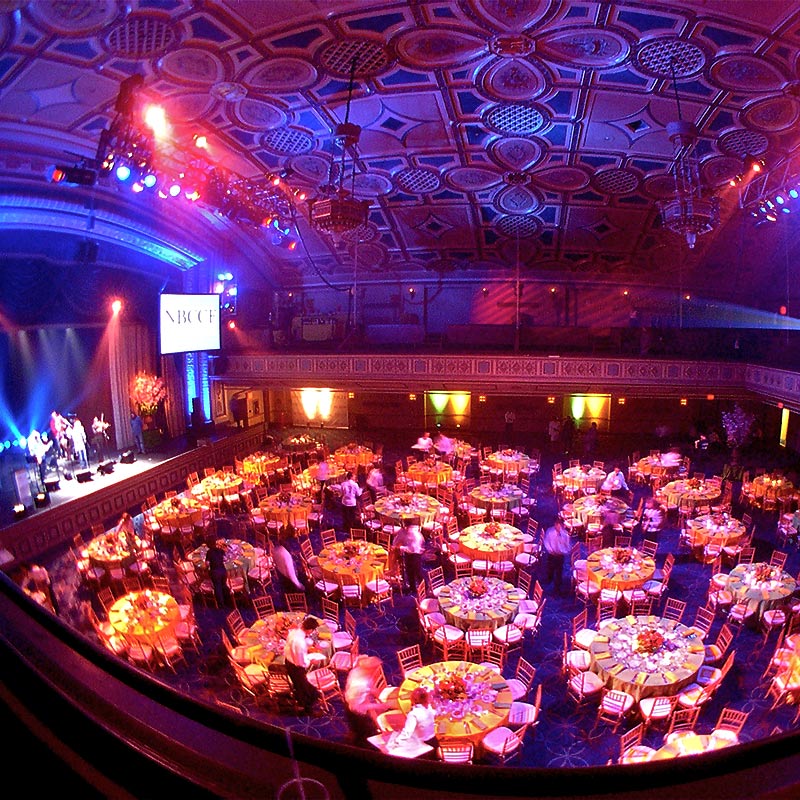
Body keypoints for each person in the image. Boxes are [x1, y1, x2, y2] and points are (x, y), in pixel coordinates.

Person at [344, 654, 394, 745]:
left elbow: (368, 689)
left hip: (358, 703)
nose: (376, 671)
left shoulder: (358, 672)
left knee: (359, 730)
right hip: (356, 711)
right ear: (370, 669)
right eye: (375, 669)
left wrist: (372, 692)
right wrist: (380, 706)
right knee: (364, 734)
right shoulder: (358, 685)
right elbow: (358, 706)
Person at [284, 616, 323, 716]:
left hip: (288, 662)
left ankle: (304, 698)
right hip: (296, 667)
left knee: (300, 685)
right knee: (303, 689)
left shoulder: (293, 632)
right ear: (310, 630)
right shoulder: (300, 642)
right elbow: (300, 663)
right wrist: (311, 661)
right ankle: (308, 710)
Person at [391, 687, 437, 751]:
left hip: (422, 745)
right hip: (434, 741)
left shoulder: (413, 714)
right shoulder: (429, 708)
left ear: (413, 699)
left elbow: (407, 732)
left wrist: (396, 743)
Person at [543, 517, 571, 595]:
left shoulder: (565, 535)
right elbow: (546, 542)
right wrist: (550, 550)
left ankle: (557, 587)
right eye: (558, 525)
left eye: (560, 526)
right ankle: (549, 580)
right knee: (550, 568)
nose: (559, 528)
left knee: (559, 571)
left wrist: (564, 552)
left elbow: (567, 546)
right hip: (552, 555)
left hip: (560, 556)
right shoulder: (550, 532)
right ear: (555, 525)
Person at [393, 524, 425, 593]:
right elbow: (397, 539)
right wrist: (395, 545)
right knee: (409, 571)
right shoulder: (403, 531)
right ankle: (412, 588)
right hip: (408, 554)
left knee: (417, 571)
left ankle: (425, 588)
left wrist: (401, 548)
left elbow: (412, 548)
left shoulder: (414, 533)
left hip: (416, 554)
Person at [206, 539, 231, 607]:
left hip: (215, 572)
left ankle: (221, 604)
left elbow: (207, 564)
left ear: (208, 545)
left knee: (218, 587)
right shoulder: (220, 550)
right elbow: (225, 557)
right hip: (223, 571)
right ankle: (228, 600)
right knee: (224, 585)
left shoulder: (209, 552)